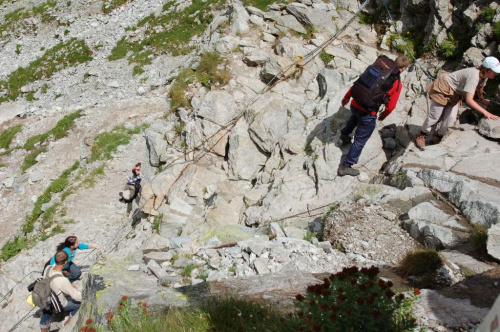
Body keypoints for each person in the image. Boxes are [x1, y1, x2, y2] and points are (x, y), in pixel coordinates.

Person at [337, 55, 411, 176]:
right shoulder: (396, 82)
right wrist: (383, 116)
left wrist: (346, 97)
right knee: (360, 140)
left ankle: (343, 137)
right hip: (368, 112)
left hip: (355, 103)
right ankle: (346, 166)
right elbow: (391, 106)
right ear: (403, 69)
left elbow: (360, 82)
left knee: (355, 117)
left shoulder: (379, 67)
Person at [415, 56, 500, 149]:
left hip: (455, 92)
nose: (497, 74)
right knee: (435, 116)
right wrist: (486, 113)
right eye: (495, 72)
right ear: (488, 70)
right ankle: (422, 135)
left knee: (451, 118)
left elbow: (480, 87)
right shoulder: (474, 77)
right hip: (443, 87)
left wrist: (481, 99)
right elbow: (469, 100)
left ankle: (439, 137)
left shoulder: (484, 76)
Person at [40, 251, 82, 332]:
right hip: (59, 303)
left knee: (46, 310)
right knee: (79, 304)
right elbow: (76, 296)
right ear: (65, 262)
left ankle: (43, 328)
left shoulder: (47, 268)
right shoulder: (62, 280)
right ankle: (69, 321)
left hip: (46, 297)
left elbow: (52, 277)